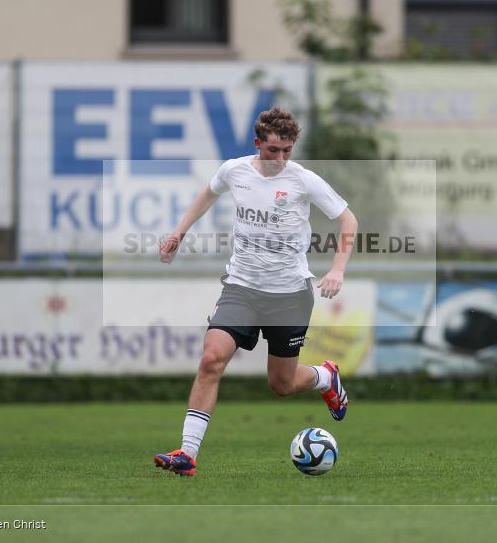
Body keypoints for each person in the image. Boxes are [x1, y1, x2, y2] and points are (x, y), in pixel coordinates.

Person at [153, 107, 358, 477]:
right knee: (211, 358)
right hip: (241, 288)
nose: (280, 158)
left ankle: (326, 377)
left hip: (290, 295)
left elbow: (348, 220)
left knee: (282, 384)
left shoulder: (303, 180)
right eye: (273, 150)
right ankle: (186, 453)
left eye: (287, 150)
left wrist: (338, 269)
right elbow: (207, 194)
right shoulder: (234, 170)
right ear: (257, 144)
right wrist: (178, 233)